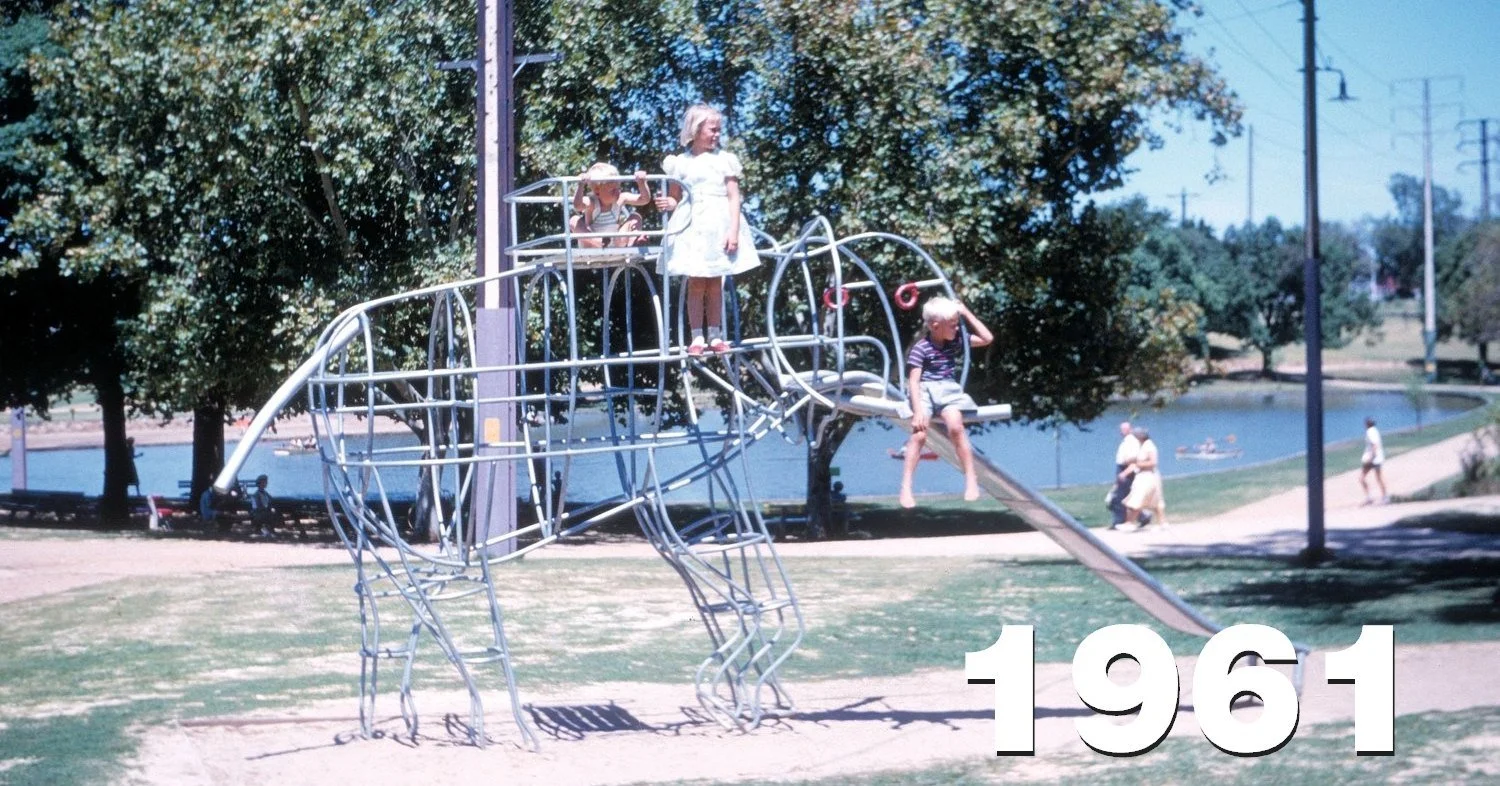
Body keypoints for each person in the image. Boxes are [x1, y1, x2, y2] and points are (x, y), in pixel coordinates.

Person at [655, 104, 760, 356]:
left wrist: (733, 231)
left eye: (718, 130)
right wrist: (666, 203)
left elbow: (734, 197)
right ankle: (697, 337)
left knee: (714, 281)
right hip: (692, 225)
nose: (716, 135)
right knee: (696, 281)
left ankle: (715, 334)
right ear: (696, 130)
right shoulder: (680, 163)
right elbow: (676, 198)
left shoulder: (724, 161)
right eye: (712, 130)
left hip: (718, 224)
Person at [897, 296, 994, 509]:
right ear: (935, 326)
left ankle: (970, 478)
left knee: (956, 427)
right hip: (924, 390)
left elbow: (987, 338)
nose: (956, 328)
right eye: (952, 325)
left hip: (947, 389)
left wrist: (965, 312)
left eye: (957, 323)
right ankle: (906, 486)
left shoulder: (956, 339)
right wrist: (919, 411)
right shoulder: (921, 348)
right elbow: (913, 381)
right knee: (919, 434)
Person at [570, 162, 652, 248]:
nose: (618, 192)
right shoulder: (592, 202)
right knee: (573, 220)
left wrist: (642, 183)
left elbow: (644, 199)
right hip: (593, 244)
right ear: (597, 191)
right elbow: (577, 205)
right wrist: (581, 185)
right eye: (613, 190)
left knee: (635, 216)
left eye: (619, 188)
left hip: (616, 242)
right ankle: (599, 241)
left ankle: (634, 240)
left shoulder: (621, 198)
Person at [1121, 426, 1168, 530]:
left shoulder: (1149, 446)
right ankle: (1162, 523)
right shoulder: (1143, 446)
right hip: (1143, 475)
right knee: (1154, 500)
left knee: (1137, 498)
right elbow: (1139, 459)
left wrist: (1138, 464)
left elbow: (1153, 462)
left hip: (1147, 476)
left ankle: (1129, 523)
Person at [1106, 421, 1140, 529]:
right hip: (1122, 470)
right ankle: (1142, 516)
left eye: (1123, 429)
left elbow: (1133, 462)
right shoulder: (1126, 441)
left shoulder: (1131, 442)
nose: (1121, 432)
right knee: (1126, 497)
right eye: (1121, 429)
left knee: (1118, 498)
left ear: (1129, 429)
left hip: (1125, 471)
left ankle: (1118, 521)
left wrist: (1124, 474)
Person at [1360, 416, 1388, 505]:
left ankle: (1371, 498)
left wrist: (1371, 458)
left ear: (1367, 424)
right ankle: (1384, 497)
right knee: (1379, 478)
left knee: (1362, 478)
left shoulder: (1370, 432)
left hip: (1372, 459)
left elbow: (1375, 445)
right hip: (1377, 458)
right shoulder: (1375, 430)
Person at [248, 474, 279, 538]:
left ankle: (269, 530)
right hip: (259, 513)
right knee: (271, 515)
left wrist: (272, 507)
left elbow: (270, 500)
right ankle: (265, 530)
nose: (266, 483)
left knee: (276, 513)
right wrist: (267, 509)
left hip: (264, 512)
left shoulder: (265, 493)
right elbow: (255, 507)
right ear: (260, 483)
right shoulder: (256, 495)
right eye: (265, 482)